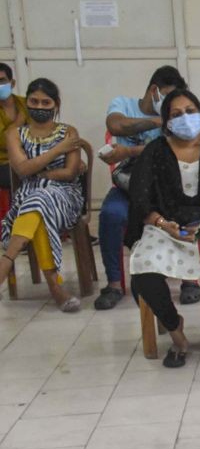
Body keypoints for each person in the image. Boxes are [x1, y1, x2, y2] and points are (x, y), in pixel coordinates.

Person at [125, 89, 200, 367]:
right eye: (176, 114)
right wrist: (165, 225)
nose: (185, 118)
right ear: (166, 122)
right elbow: (141, 198)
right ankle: (176, 332)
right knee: (144, 271)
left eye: (190, 111)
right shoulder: (155, 151)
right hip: (165, 228)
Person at [95, 65, 189, 311]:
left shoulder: (178, 117)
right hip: (127, 184)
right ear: (154, 90)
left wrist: (128, 150)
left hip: (161, 188)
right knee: (110, 215)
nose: (172, 105)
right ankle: (114, 284)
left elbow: (173, 147)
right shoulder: (123, 104)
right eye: (167, 97)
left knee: (186, 210)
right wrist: (161, 120)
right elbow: (116, 126)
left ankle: (190, 279)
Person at [0, 78, 85, 311]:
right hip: (28, 196)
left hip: (65, 197)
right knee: (38, 206)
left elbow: (69, 173)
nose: (39, 107)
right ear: (26, 103)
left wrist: (37, 170)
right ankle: (56, 287)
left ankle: (5, 262)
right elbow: (22, 169)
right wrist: (57, 151)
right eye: (33, 101)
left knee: (40, 201)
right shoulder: (14, 133)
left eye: (45, 102)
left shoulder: (69, 132)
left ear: (55, 105)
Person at [0, 63, 28, 201]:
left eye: (2, 81)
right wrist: (19, 122)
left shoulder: (26, 103)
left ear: (12, 83)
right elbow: (4, 142)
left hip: (30, 157)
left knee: (70, 167)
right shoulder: (23, 112)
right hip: (3, 163)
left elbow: (43, 130)